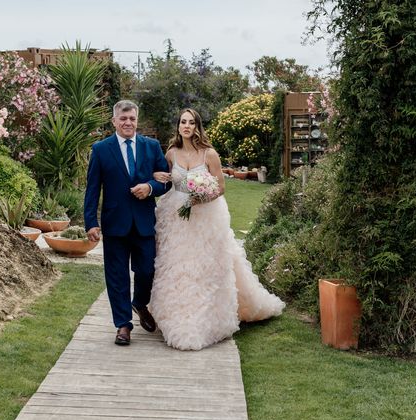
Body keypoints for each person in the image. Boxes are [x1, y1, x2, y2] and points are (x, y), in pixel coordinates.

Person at [149, 108, 284, 351]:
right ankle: (175, 313)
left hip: (206, 215)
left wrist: (200, 198)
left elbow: (220, 187)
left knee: (207, 265)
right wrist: (161, 177)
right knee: (177, 264)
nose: (186, 126)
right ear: (178, 126)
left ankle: (208, 317)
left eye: (191, 122)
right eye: (183, 122)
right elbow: (169, 180)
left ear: (197, 126)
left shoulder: (209, 154)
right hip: (176, 217)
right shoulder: (170, 153)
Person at [84, 100, 170, 346]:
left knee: (147, 270)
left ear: (137, 120)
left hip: (144, 222)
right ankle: (123, 325)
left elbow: (166, 181)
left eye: (132, 118)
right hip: (114, 223)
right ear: (114, 121)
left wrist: (150, 187)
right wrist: (91, 222)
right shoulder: (101, 150)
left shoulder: (151, 147)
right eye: (123, 119)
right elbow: (92, 189)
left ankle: (139, 303)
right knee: (117, 276)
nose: (128, 123)